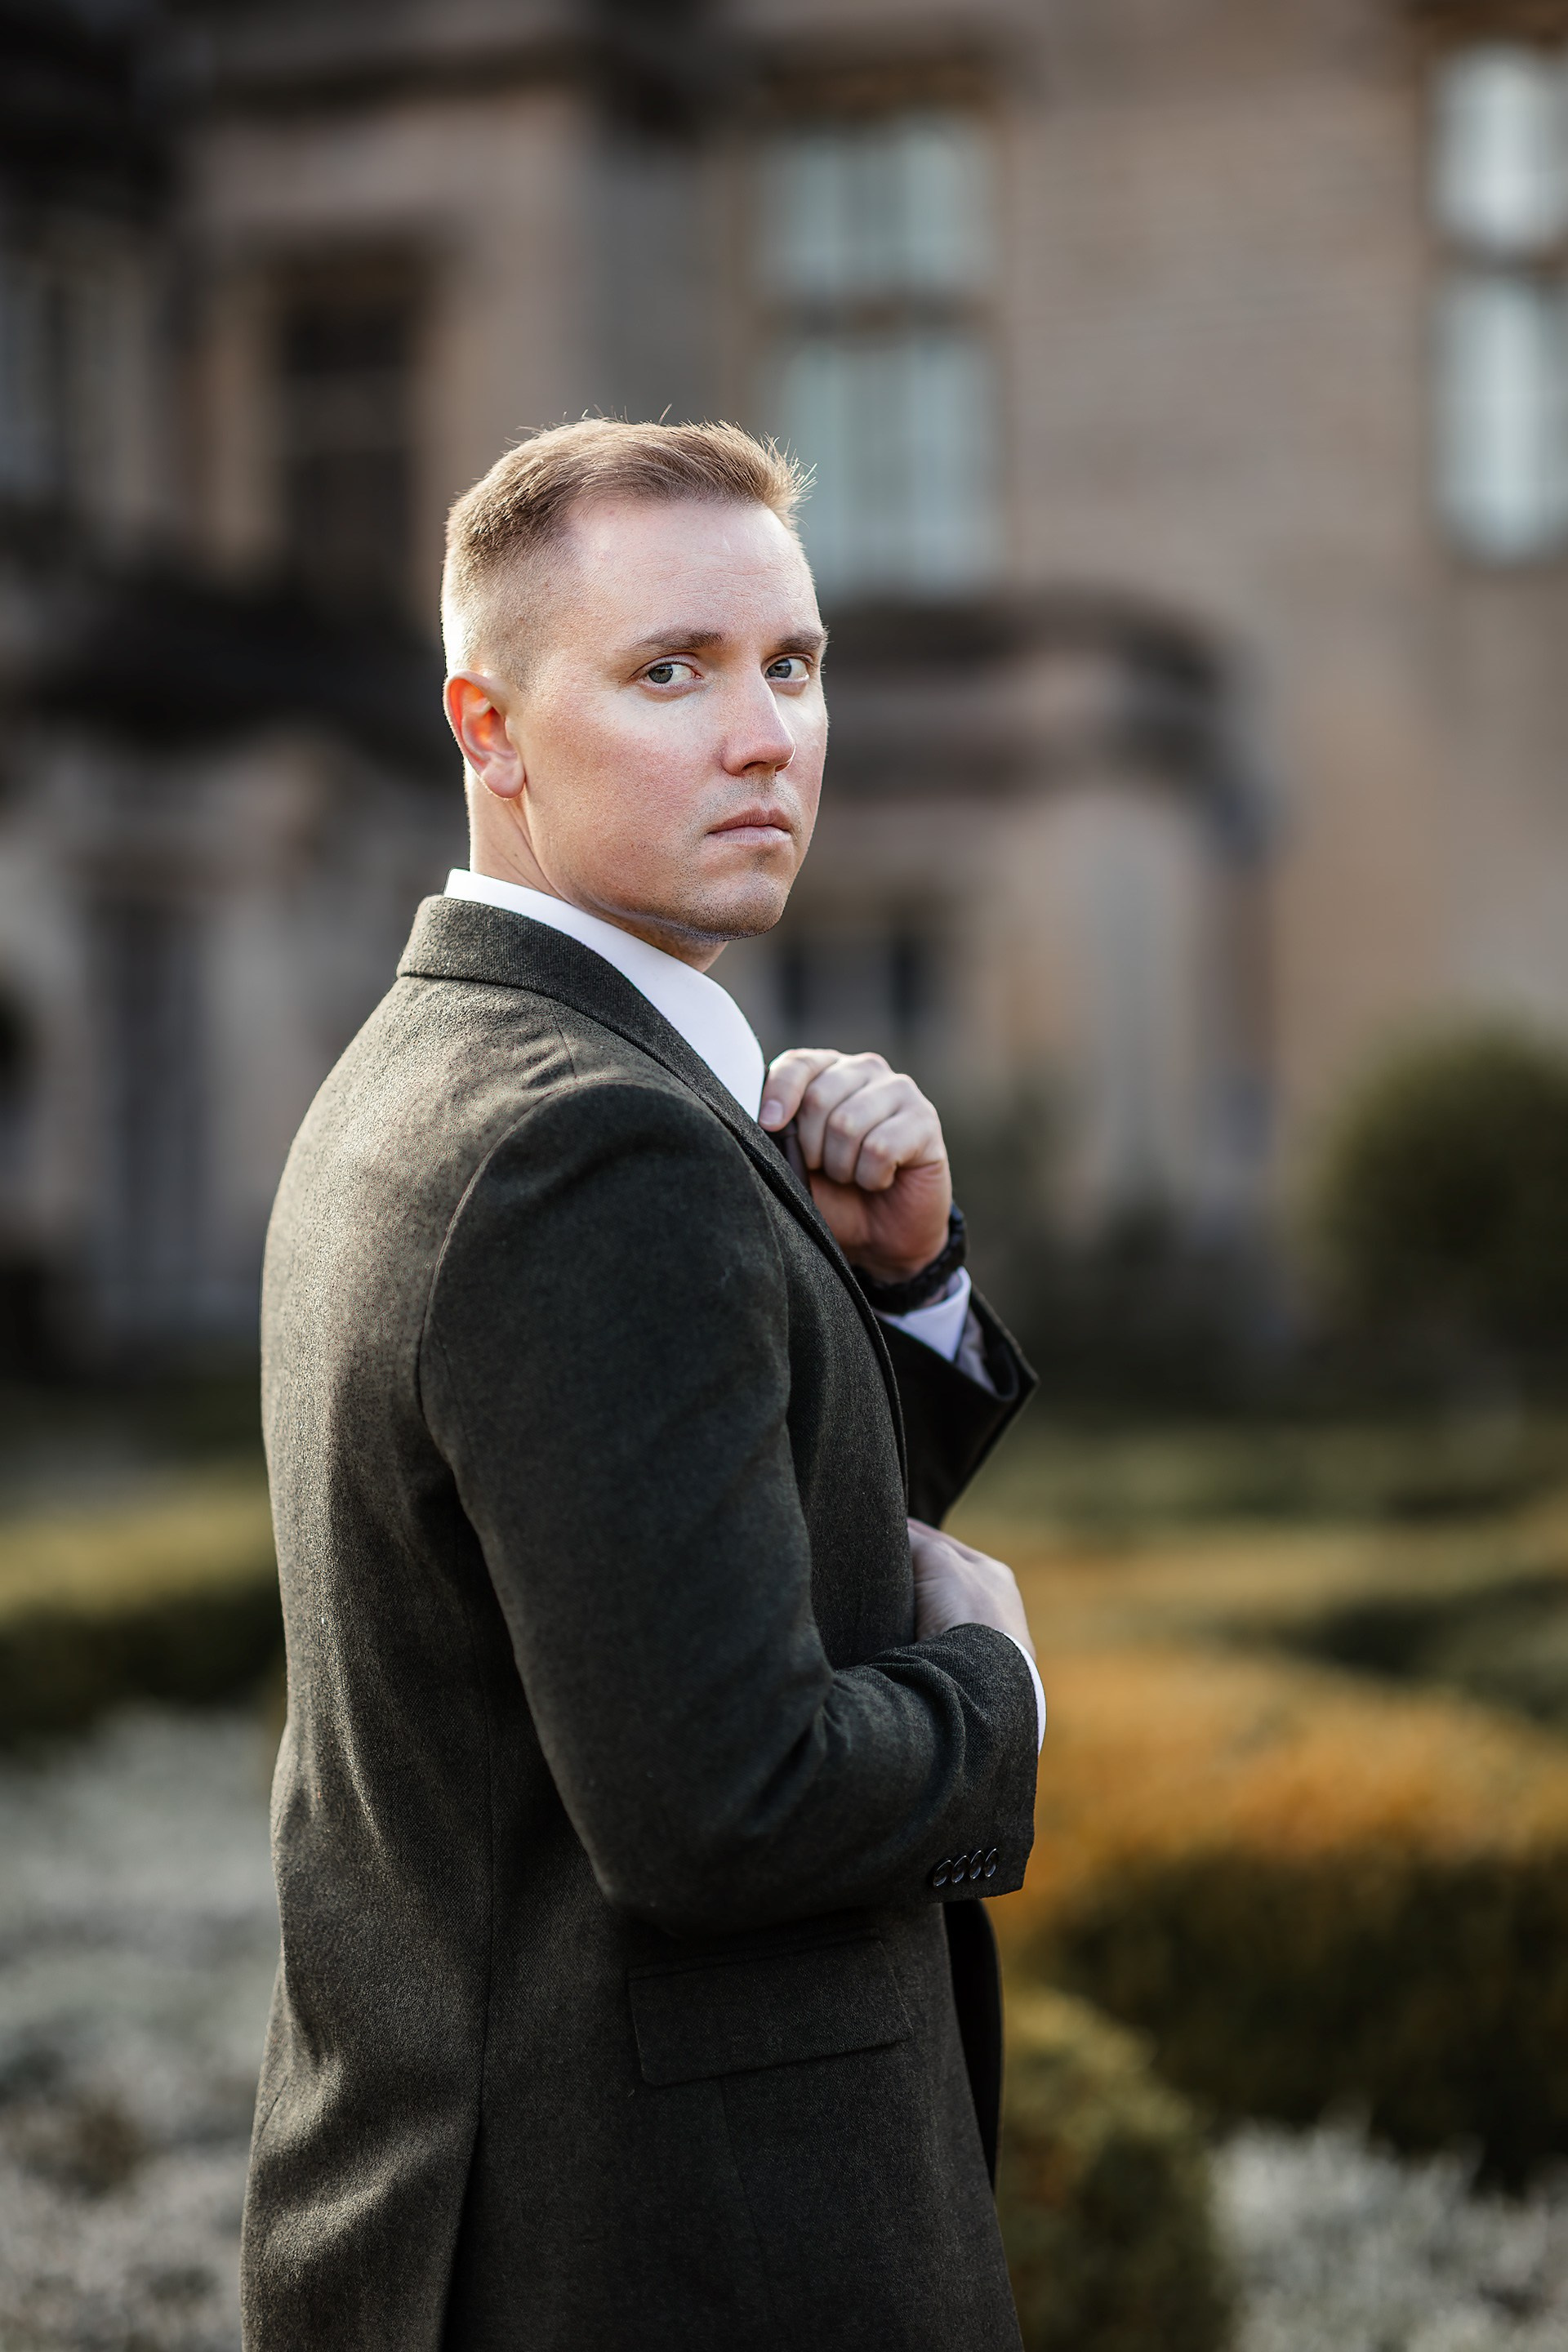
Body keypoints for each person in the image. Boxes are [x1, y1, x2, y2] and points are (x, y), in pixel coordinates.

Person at [240, 418, 1044, 2352]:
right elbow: (725, 1804)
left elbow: (673, 1560)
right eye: (671, 671)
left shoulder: (438, 1066)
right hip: (659, 2250)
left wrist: (902, 1286)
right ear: (492, 726)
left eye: (795, 665)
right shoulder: (593, 1149)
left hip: (502, 2205)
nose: (767, 737)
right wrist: (993, 1696)